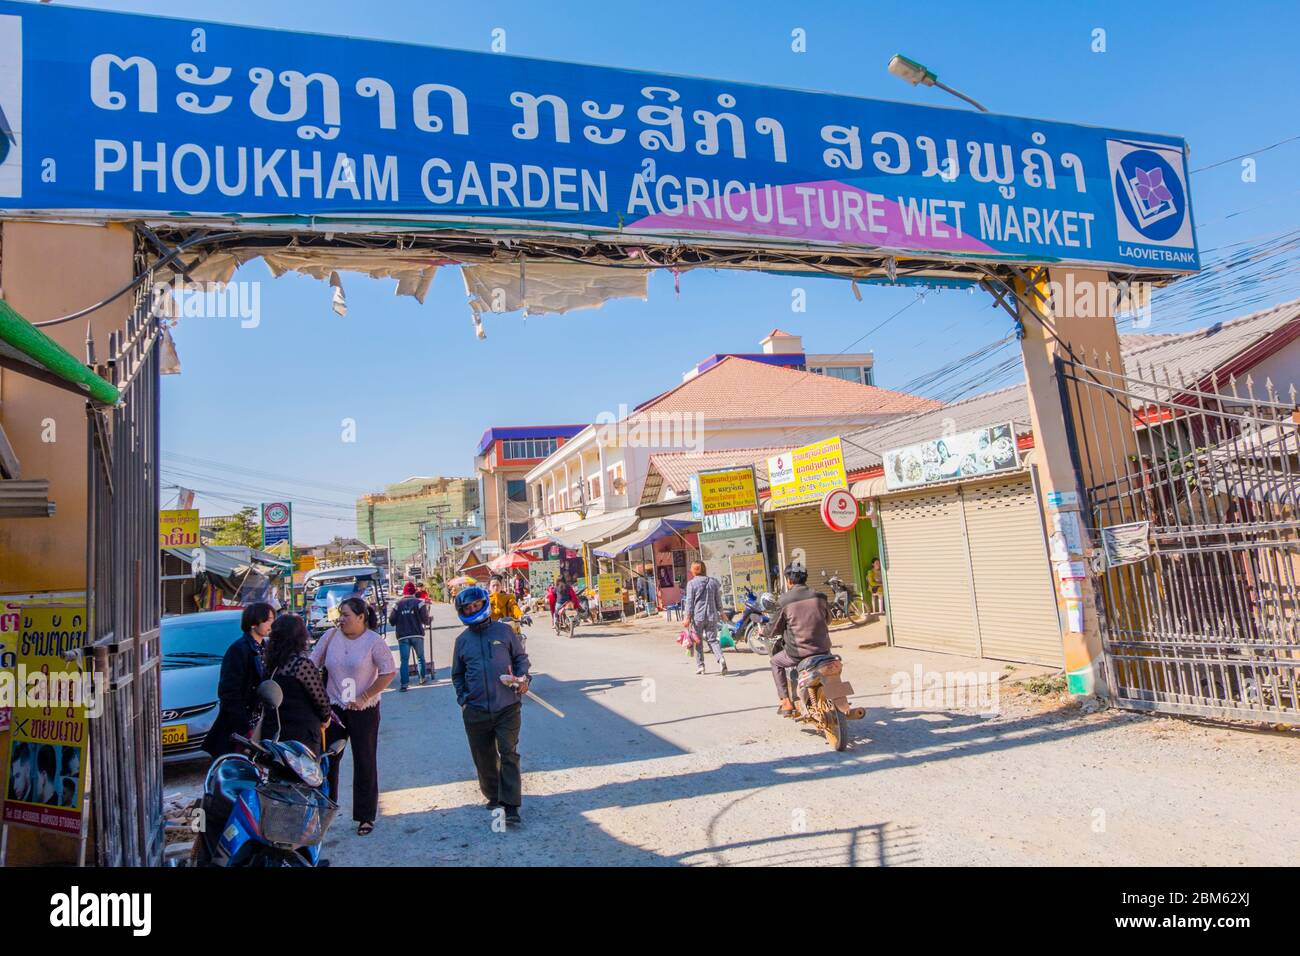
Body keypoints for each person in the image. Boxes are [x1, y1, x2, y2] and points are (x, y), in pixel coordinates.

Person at [311, 596, 396, 835]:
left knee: (364, 760)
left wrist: (365, 696)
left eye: (346, 615)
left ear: (361, 617)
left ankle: (365, 816)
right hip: (334, 709)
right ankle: (324, 813)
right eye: (340, 614)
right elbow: (312, 663)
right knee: (328, 762)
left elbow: (388, 672)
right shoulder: (330, 636)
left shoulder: (373, 641)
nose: (341, 619)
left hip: (364, 710)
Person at [451, 585, 531, 827]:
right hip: (475, 710)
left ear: (484, 603)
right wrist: (464, 699)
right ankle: (493, 795)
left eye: (476, 605)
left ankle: (511, 806)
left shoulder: (505, 632)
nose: (473, 609)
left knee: (508, 753)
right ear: (462, 611)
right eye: (468, 607)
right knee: (484, 757)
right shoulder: (462, 641)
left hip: (508, 706)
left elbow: (521, 659)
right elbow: (458, 674)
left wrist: (522, 679)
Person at [203, 602, 275, 760]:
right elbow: (229, 692)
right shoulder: (239, 650)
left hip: (261, 721)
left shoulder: (266, 648)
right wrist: (244, 727)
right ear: (254, 623)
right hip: (242, 725)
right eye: (268, 620)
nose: (272, 624)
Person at [765, 565, 832, 716]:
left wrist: (765, 631)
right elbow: (828, 620)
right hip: (823, 649)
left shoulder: (784, 601)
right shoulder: (820, 596)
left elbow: (773, 628)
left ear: (789, 580)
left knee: (775, 662)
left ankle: (785, 702)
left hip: (798, 653)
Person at [262, 614, 331, 754]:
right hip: (302, 736)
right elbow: (322, 701)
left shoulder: (270, 665)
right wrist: (326, 718)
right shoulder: (302, 666)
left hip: (274, 733)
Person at [682, 561, 728, 676]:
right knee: (712, 640)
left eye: (691, 568)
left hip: (698, 618)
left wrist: (687, 617)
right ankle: (721, 659)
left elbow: (689, 603)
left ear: (694, 570)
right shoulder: (713, 582)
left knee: (698, 642)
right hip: (712, 616)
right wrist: (722, 613)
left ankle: (701, 666)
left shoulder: (691, 584)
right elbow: (718, 600)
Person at [389, 582, 432, 691]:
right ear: (414, 592)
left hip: (403, 636)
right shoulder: (419, 603)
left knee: (404, 660)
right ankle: (422, 678)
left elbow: (391, 621)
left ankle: (404, 684)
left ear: (404, 592)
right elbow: (425, 620)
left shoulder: (397, 604)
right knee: (420, 657)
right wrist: (430, 620)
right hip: (417, 634)